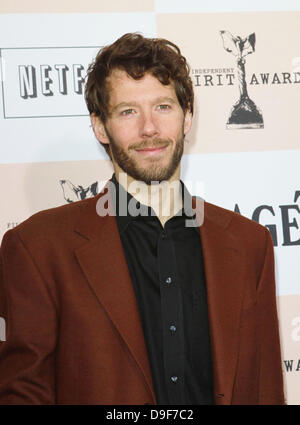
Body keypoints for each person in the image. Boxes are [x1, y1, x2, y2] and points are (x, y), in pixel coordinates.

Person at [0, 33, 285, 405]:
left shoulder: (250, 244)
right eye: (128, 111)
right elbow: (23, 394)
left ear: (188, 118)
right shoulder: (37, 248)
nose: (149, 128)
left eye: (164, 107)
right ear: (100, 127)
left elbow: (263, 390)